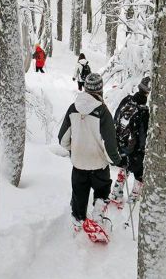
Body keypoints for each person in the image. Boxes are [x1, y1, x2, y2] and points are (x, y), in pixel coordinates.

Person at [58, 73, 121, 231]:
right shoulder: (103, 112)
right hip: (98, 164)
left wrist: (75, 149)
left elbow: (62, 139)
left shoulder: (73, 108)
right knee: (102, 190)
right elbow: (109, 143)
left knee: (79, 194)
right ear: (100, 89)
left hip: (78, 164)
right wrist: (117, 160)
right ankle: (98, 217)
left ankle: (78, 221)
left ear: (85, 88)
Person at [109, 77, 151, 205]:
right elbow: (143, 133)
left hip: (121, 143)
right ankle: (134, 197)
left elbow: (116, 117)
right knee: (139, 172)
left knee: (124, 166)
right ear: (148, 92)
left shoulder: (127, 100)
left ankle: (116, 192)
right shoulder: (143, 110)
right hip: (136, 148)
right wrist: (143, 149)